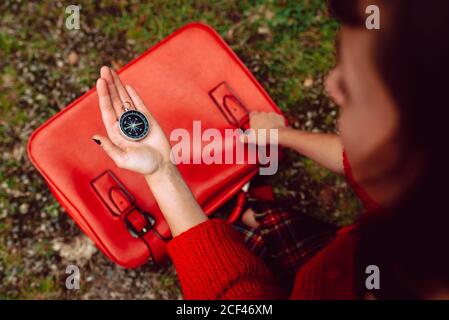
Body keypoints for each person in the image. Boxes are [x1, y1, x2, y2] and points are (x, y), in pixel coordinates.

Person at [91, 0, 449, 299]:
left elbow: (233, 297)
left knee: (241, 248)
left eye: (356, 90)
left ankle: (245, 220)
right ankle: (251, 217)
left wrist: (160, 172)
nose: (331, 85)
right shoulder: (423, 188)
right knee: (274, 231)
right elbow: (364, 161)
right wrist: (279, 136)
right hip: (335, 262)